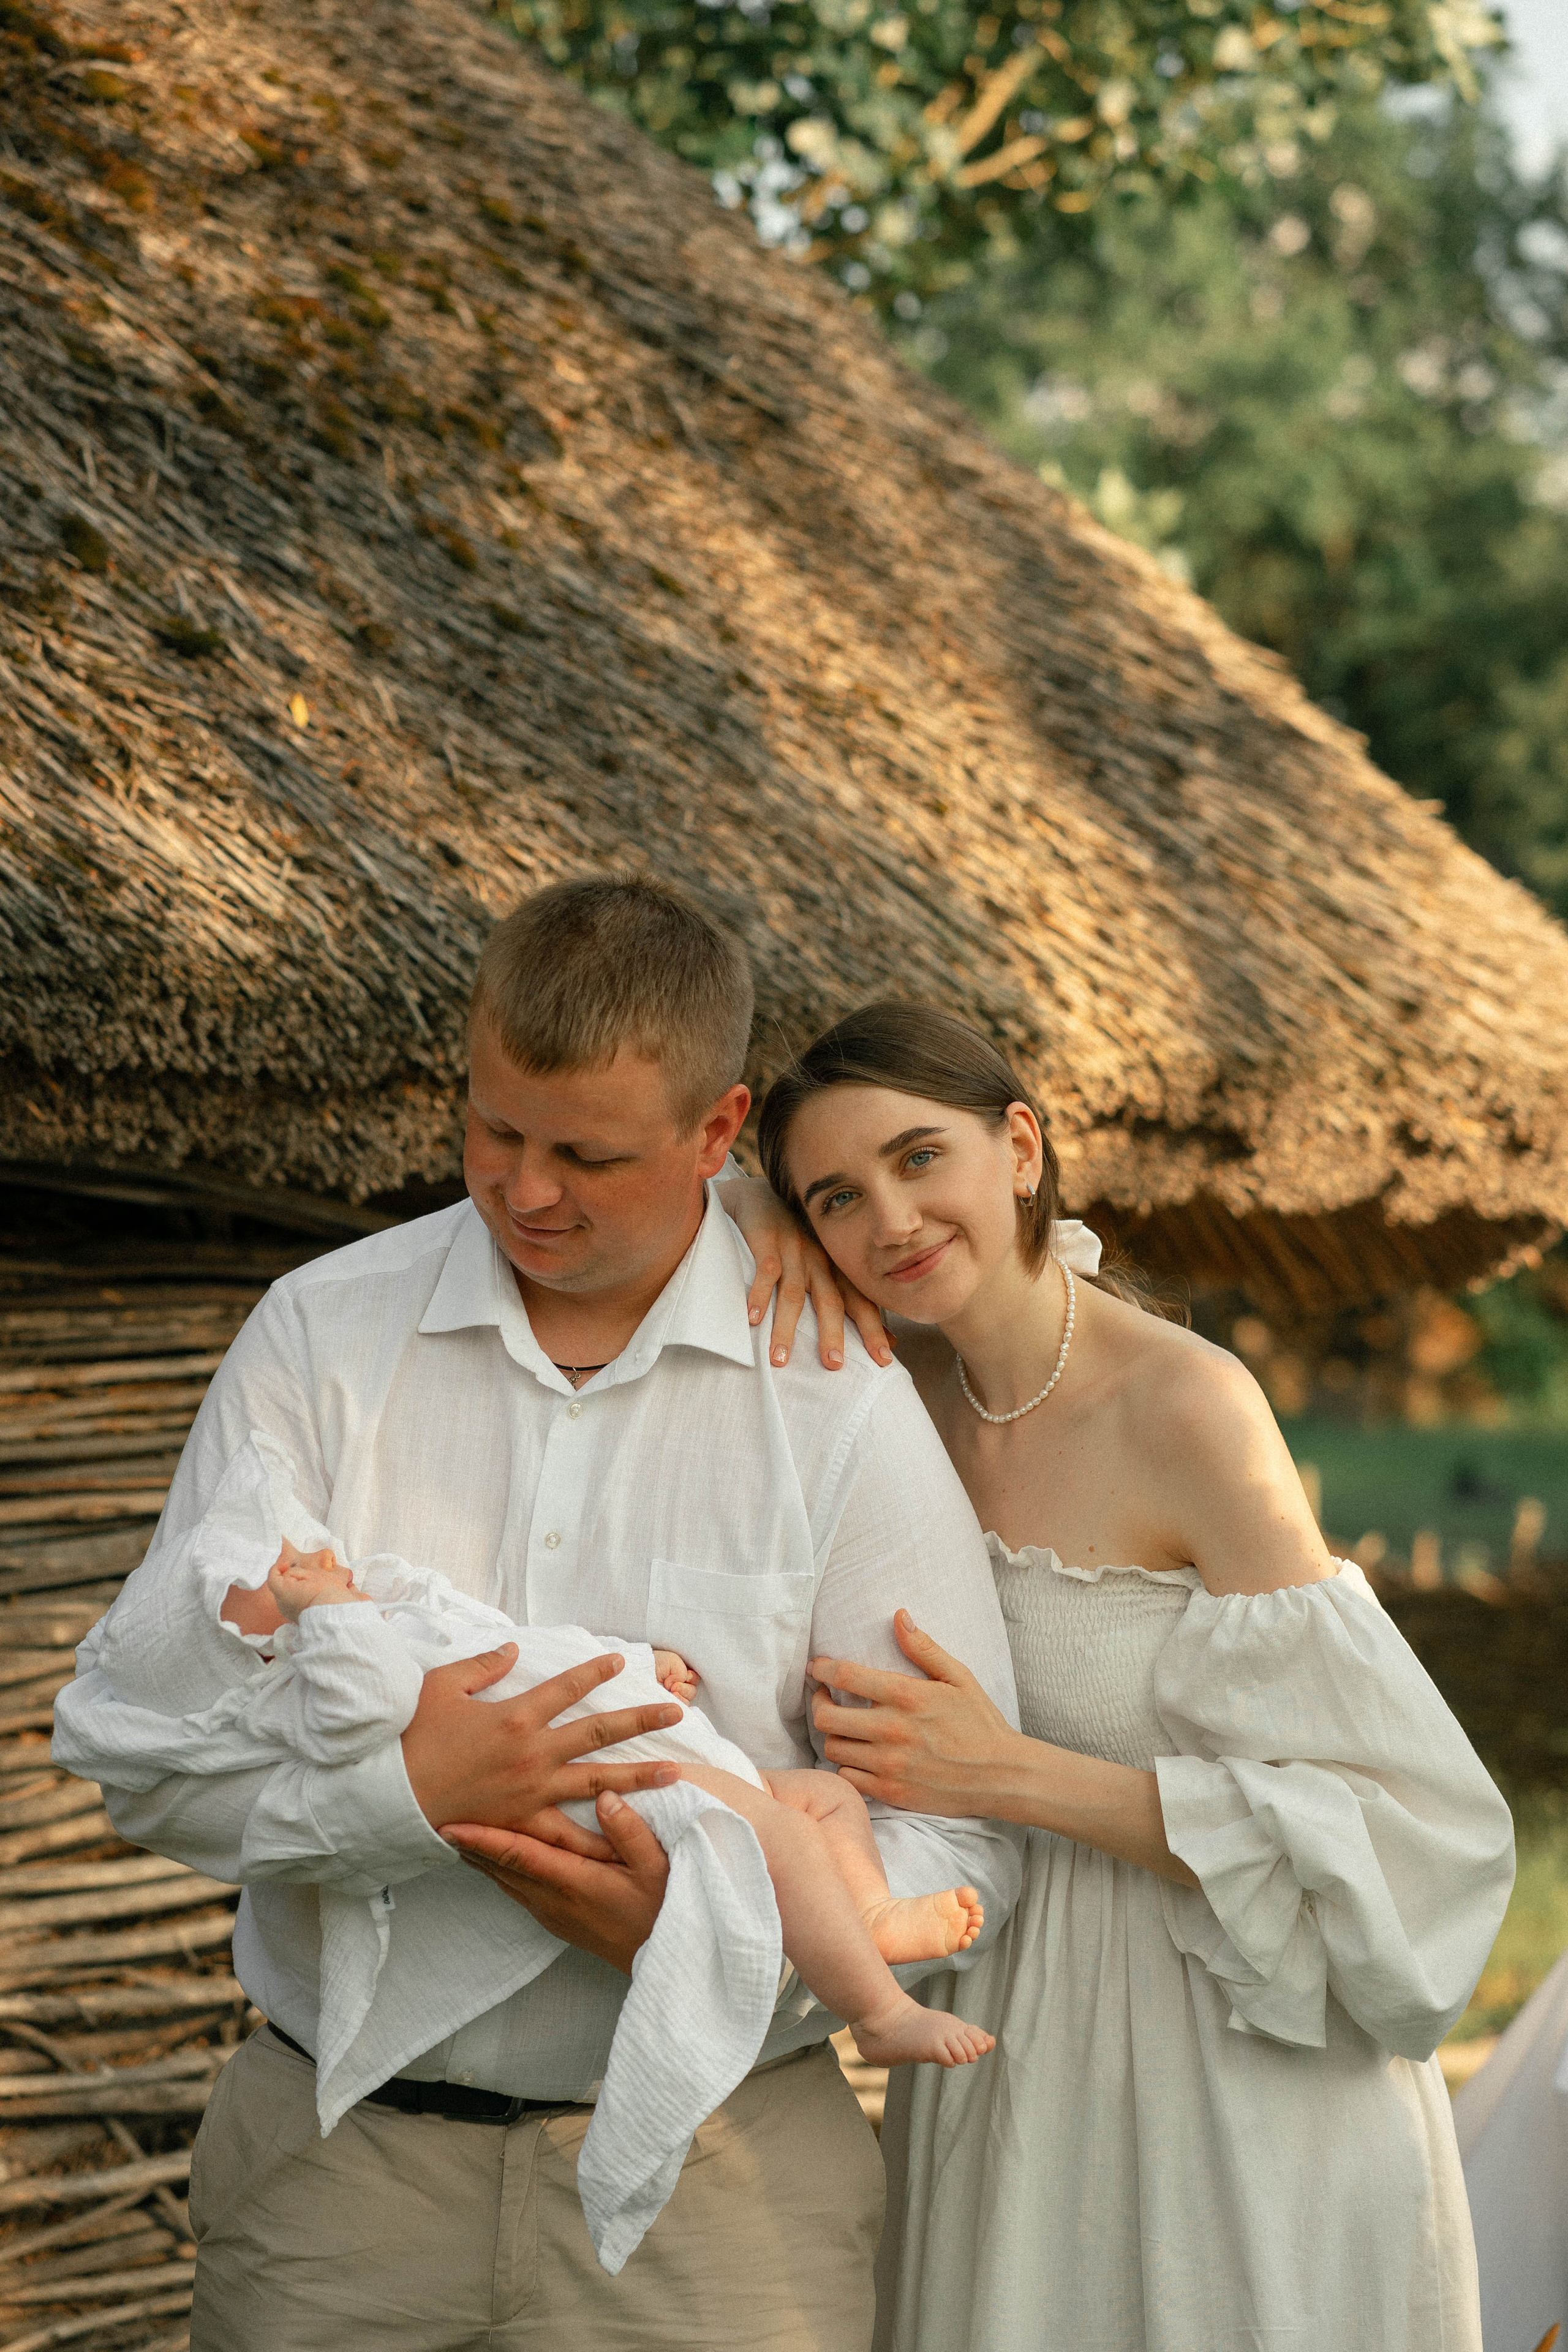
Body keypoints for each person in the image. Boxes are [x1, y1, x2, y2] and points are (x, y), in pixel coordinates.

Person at [54, 881, 1022, 2352]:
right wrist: (409, 1793)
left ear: (718, 1133)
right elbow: (143, 1749)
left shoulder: (834, 1402)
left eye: (588, 1154)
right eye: (494, 1130)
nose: (525, 1191)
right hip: (337, 2183)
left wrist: (702, 1940)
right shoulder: (319, 1339)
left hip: (724, 2189)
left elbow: (962, 1837)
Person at [720, 997, 1517, 2352]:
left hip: (1230, 2049)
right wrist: (750, 1208)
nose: (892, 1223)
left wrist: (1006, 1777)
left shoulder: (1187, 1410)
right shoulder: (884, 1392)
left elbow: (1389, 1827)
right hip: (1007, 2039)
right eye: (838, 1198)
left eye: (923, 1161)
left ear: (1018, 1148)